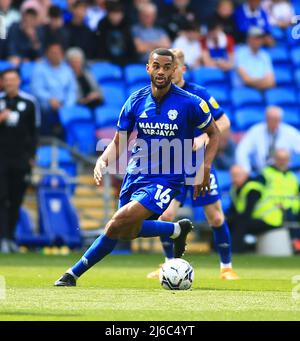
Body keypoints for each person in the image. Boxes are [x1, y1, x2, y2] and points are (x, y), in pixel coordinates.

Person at [54, 48, 220, 286]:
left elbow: (214, 133)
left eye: (166, 67)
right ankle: (174, 231)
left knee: (117, 222)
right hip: (136, 174)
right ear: (148, 68)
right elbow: (118, 141)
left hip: (167, 179)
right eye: (156, 66)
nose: (161, 71)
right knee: (126, 231)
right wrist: (103, 160)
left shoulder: (191, 103)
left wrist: (204, 167)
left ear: (174, 70)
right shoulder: (135, 100)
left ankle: (72, 274)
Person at [147, 48, 239, 281]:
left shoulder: (198, 94)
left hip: (199, 165)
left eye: (172, 66)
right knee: (165, 216)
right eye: (164, 67)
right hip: (173, 166)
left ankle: (226, 267)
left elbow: (224, 121)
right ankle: (168, 265)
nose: (167, 71)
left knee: (215, 217)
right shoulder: (160, 95)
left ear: (181, 68)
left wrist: (203, 138)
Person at [0, 68, 40, 253]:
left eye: (13, 79)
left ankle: (10, 238)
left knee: (16, 200)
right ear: (2, 82)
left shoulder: (29, 103)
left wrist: (32, 157)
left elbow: (34, 133)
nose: (10, 83)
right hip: (1, 159)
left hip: (21, 160)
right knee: (2, 198)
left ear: (18, 81)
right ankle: (3, 239)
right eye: (6, 80)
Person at [229, 150, 300, 253]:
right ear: (274, 159)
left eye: (285, 159)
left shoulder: (293, 178)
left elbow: (296, 197)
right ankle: (233, 252)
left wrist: (291, 207)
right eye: (280, 159)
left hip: (288, 212)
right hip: (270, 214)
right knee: (239, 221)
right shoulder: (266, 174)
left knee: (240, 221)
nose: (282, 162)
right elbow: (255, 190)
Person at [235, 106, 300, 174]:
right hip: (261, 172)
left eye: (275, 119)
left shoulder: (290, 132)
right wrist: (246, 170)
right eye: (270, 119)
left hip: (283, 173)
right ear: (266, 118)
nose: (272, 122)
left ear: (280, 119)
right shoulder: (255, 131)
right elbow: (241, 151)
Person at [31, 42, 77, 137]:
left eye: (57, 53)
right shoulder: (39, 68)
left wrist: (67, 105)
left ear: (62, 55)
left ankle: (68, 147)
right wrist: (50, 99)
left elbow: (72, 90)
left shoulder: (67, 70)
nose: (55, 55)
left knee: (70, 117)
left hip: (64, 106)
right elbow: (36, 89)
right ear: (47, 54)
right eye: (52, 52)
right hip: (46, 106)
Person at [95, 1, 137, 65]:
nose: (116, 17)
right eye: (114, 13)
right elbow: (100, 45)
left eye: (119, 14)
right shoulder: (102, 24)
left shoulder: (127, 23)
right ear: (109, 14)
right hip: (106, 60)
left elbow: (130, 44)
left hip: (126, 60)